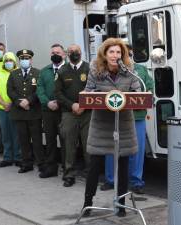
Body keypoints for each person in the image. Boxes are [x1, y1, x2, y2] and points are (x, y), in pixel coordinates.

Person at [81, 38, 140, 217]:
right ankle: (88, 203)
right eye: (111, 52)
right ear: (104, 54)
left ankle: (121, 204)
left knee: (123, 165)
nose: (115, 55)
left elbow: (138, 93)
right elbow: (88, 91)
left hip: (122, 124)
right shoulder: (95, 71)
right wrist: (93, 94)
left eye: (118, 52)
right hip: (102, 124)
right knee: (94, 166)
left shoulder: (129, 71)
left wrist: (129, 95)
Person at [101, 44, 154, 194]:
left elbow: (149, 87)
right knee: (112, 149)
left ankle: (136, 181)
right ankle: (111, 180)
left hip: (136, 117)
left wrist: (148, 93)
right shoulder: (111, 70)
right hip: (115, 117)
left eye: (128, 53)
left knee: (136, 151)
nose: (125, 56)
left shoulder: (141, 70)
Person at [54, 44, 91, 187]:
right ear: (67, 54)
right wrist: (72, 105)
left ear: (81, 53)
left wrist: (83, 104)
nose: (74, 53)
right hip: (69, 113)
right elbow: (57, 93)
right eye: (71, 52)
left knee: (88, 145)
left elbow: (95, 89)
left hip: (87, 113)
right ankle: (69, 174)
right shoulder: (62, 70)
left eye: (77, 51)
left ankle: (90, 173)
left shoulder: (89, 69)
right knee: (69, 145)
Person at [7, 49, 44, 173]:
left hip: (34, 112)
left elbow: (39, 90)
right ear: (19, 60)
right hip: (19, 112)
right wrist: (19, 102)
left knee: (37, 140)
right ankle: (27, 163)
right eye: (22, 59)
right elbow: (10, 91)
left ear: (31, 60)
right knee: (23, 140)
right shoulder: (13, 74)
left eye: (27, 58)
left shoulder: (38, 73)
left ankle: (40, 163)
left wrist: (28, 101)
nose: (24, 61)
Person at [37, 43, 66, 178]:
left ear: (64, 54)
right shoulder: (44, 71)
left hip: (64, 111)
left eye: (58, 53)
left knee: (65, 139)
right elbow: (40, 89)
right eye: (53, 53)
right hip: (48, 111)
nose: (55, 55)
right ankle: (51, 168)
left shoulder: (68, 70)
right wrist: (47, 102)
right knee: (50, 140)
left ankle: (67, 168)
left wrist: (60, 103)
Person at [0, 52, 21, 167]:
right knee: (5, 134)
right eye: (7, 60)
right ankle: (7, 157)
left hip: (16, 108)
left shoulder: (19, 73)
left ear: (14, 62)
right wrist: (4, 104)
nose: (9, 62)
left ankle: (18, 157)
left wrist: (13, 103)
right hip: (2, 109)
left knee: (16, 133)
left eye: (11, 60)